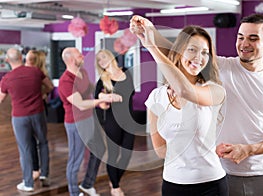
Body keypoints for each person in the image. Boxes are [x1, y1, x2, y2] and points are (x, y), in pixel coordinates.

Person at [130, 14, 263, 196]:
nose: (244, 43)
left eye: (253, 38)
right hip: (220, 171)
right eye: (240, 37)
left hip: (259, 173)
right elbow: (181, 52)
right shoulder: (222, 67)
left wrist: (248, 149)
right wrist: (150, 31)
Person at [132, 17, 228, 195]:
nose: (199, 58)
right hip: (173, 183)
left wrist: (151, 46)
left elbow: (184, 90)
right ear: (178, 52)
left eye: (205, 52)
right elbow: (161, 150)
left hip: (211, 184)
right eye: (192, 50)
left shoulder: (214, 91)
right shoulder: (156, 98)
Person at [58, 47, 122, 196]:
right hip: (75, 124)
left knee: (99, 149)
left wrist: (104, 94)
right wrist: (100, 101)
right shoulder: (65, 81)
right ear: (72, 60)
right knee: (75, 159)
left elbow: (92, 89)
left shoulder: (83, 73)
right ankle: (74, 193)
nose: (83, 56)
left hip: (89, 119)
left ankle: (87, 184)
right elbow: (80, 103)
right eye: (79, 55)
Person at [0, 48, 53, 192]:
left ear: (7, 60)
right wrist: (41, 95)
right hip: (38, 114)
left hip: (20, 117)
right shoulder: (35, 71)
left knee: (25, 149)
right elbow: (50, 86)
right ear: (21, 57)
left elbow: (1, 98)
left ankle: (28, 183)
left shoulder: (7, 79)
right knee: (43, 143)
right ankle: (45, 176)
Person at [92, 49, 136, 196]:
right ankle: (115, 187)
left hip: (129, 120)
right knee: (113, 154)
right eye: (99, 60)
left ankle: (114, 178)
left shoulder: (126, 72)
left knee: (127, 154)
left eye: (103, 57)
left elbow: (132, 92)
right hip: (113, 121)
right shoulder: (103, 79)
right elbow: (98, 95)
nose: (101, 61)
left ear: (110, 56)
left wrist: (119, 96)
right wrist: (107, 97)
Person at [25, 49, 53, 181]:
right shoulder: (26, 73)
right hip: (27, 112)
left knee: (41, 141)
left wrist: (43, 94)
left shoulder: (40, 74)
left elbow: (50, 87)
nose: (26, 59)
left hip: (39, 111)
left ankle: (43, 172)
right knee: (31, 142)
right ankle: (36, 170)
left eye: (29, 58)